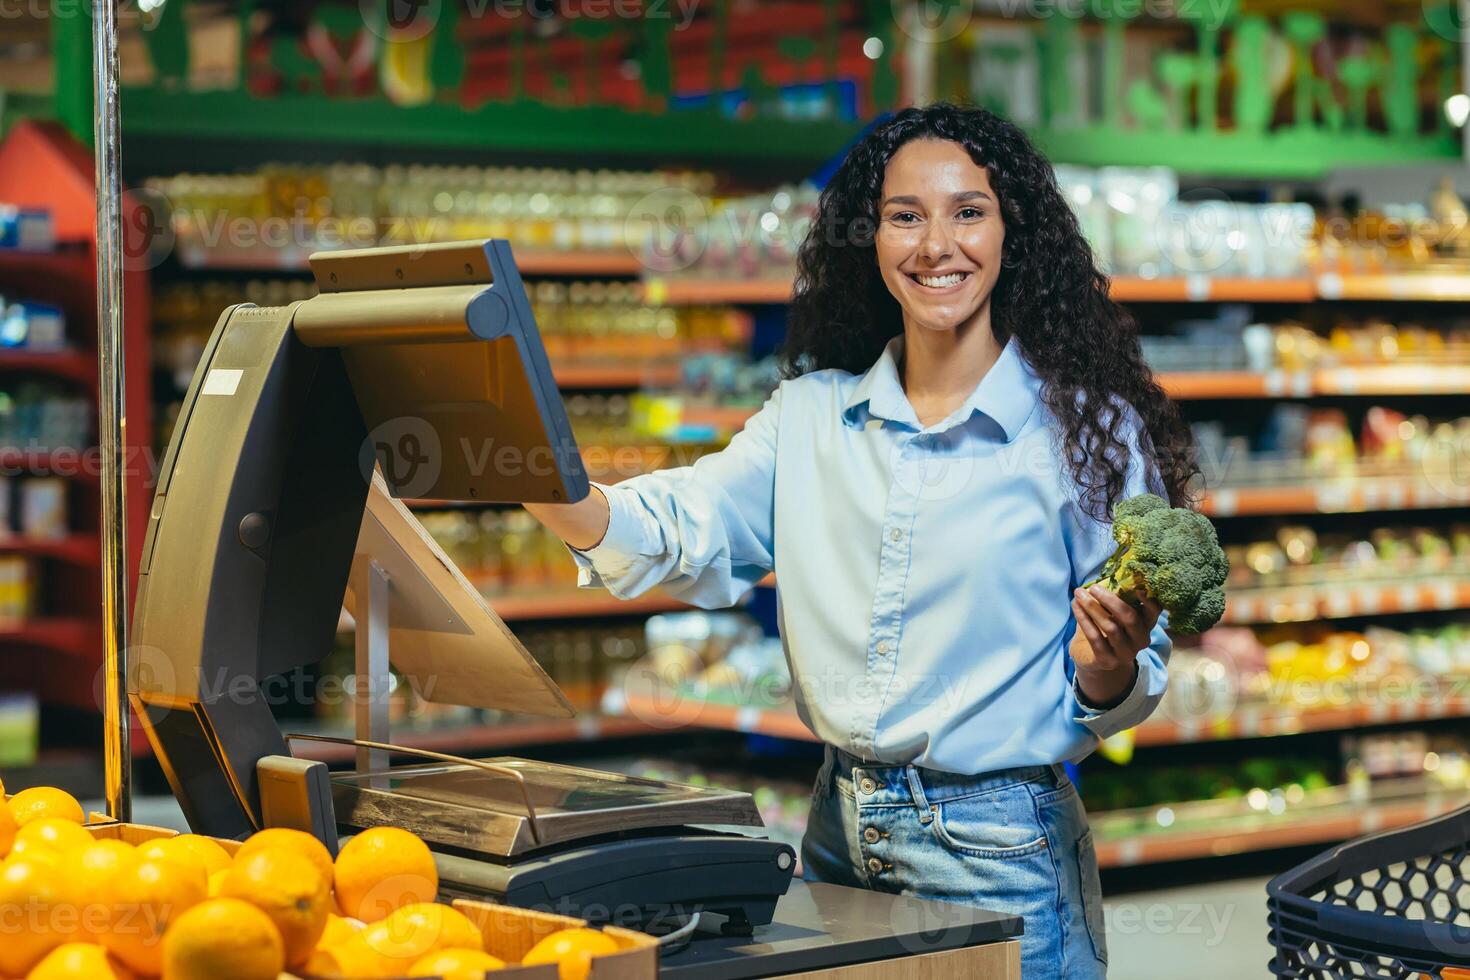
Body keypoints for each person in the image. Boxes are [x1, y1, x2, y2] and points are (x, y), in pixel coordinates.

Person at [525, 102, 1198, 979]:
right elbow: (678, 526)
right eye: (904, 216)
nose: (935, 245)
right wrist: (540, 483)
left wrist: (1106, 668)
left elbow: (1132, 670)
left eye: (968, 211)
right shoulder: (808, 419)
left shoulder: (1085, 433)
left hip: (1000, 848)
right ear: (869, 241)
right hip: (835, 829)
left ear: (1011, 232)